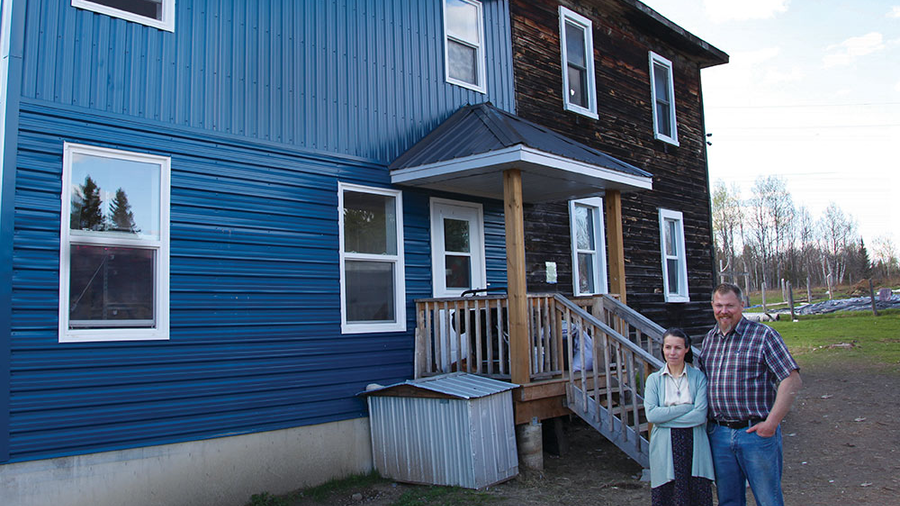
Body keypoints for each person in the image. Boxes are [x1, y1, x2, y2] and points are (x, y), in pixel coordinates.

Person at [700, 283, 802, 506]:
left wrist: (771, 423)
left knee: (768, 499)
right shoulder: (710, 340)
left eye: (730, 306)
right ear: (712, 306)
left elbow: (791, 378)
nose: (724, 311)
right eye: (719, 305)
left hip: (755, 434)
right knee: (728, 500)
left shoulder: (763, 336)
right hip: (719, 435)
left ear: (742, 305)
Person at [645, 327, 714, 506]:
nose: (672, 352)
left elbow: (699, 416)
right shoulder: (654, 380)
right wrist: (686, 408)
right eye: (668, 347)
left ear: (687, 349)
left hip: (694, 444)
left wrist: (666, 416)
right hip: (665, 446)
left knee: (696, 494)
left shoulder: (698, 377)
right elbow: (652, 415)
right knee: (668, 496)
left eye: (677, 348)